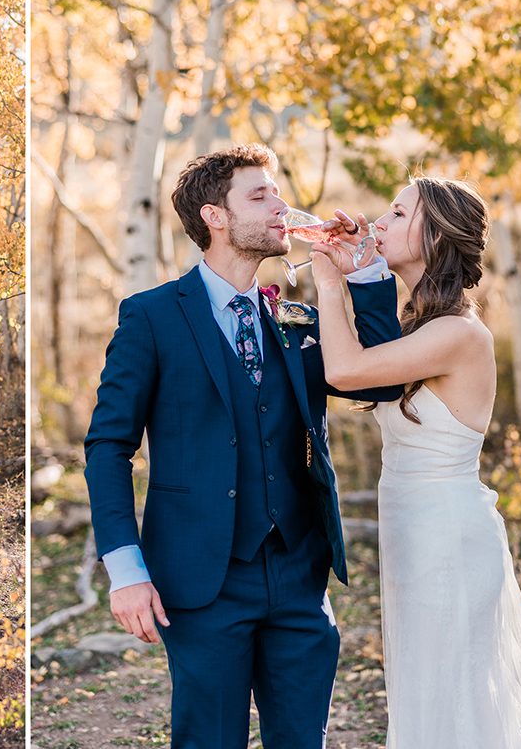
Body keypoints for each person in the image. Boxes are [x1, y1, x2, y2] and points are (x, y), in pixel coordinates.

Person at [84, 143, 403, 748]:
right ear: (215, 216)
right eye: (260, 195)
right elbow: (108, 446)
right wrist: (124, 570)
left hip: (298, 575)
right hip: (201, 580)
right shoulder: (150, 317)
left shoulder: (301, 320)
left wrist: (362, 274)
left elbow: (384, 381)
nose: (282, 205)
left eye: (277, 191)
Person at [309, 177, 521, 748]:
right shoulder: (416, 329)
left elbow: (347, 373)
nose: (380, 220)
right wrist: (363, 273)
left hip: (447, 532)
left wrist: (332, 284)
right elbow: (366, 382)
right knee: (427, 684)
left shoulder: (458, 334)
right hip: (409, 526)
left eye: (398, 213)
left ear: (435, 236)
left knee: (456, 693)